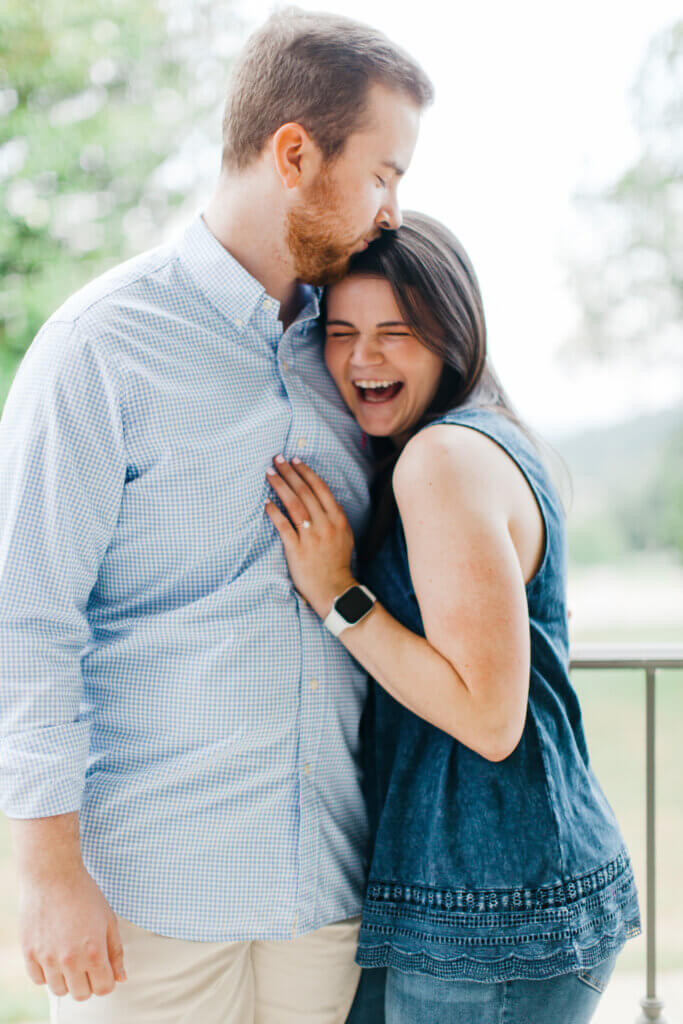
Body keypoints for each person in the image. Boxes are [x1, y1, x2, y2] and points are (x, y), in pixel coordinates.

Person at [0, 10, 433, 1022]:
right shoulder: (98, 348)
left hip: (319, 891)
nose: (393, 212)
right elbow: (25, 623)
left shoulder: (349, 355)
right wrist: (48, 872)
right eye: (383, 173)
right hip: (149, 902)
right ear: (293, 152)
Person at [263, 211, 641, 1024]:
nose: (362, 358)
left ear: (449, 335)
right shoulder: (471, 439)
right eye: (340, 331)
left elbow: (488, 717)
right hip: (477, 887)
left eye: (394, 332)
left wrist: (337, 595)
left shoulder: (442, 458)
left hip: (492, 904)